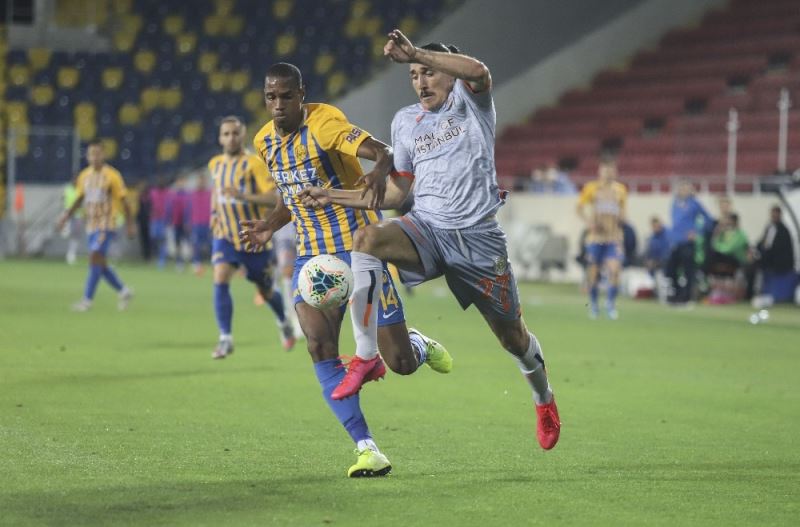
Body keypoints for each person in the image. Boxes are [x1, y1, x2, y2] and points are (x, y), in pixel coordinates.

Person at [297, 32, 560, 451]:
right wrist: (332, 195)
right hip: (427, 230)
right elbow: (396, 194)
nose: (420, 82)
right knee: (366, 238)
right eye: (414, 75)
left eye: (429, 72)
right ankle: (366, 357)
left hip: (478, 241)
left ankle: (543, 398)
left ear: (449, 75)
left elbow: (480, 71)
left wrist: (416, 53)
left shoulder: (471, 103)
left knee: (514, 338)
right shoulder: (405, 121)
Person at [239, 62, 452, 478]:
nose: (278, 105)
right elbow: (291, 195)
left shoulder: (325, 125)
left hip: (360, 251)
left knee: (399, 362)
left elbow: (383, 152)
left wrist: (378, 172)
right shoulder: (264, 141)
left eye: (286, 96)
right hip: (313, 261)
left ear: (302, 94)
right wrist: (269, 225)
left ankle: (418, 345)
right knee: (319, 345)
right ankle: (366, 447)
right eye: (271, 97)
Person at [208, 116, 295, 359]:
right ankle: (225, 338)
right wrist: (213, 215)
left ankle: (283, 321)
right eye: (226, 134)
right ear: (220, 138)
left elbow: (274, 199)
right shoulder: (215, 164)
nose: (231, 138)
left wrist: (244, 196)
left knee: (266, 291)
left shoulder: (254, 164)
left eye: (235, 133)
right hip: (225, 235)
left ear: (243, 135)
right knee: (220, 275)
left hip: (253, 238)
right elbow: (217, 193)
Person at [56, 140, 135, 311]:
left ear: (104, 155)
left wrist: (130, 224)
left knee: (94, 256)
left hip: (106, 223)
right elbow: (79, 199)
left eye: (97, 153)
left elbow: (125, 201)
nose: (94, 157)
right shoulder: (84, 176)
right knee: (100, 262)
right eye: (91, 154)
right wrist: (65, 217)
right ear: (87, 156)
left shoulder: (112, 176)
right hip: (91, 224)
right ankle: (124, 291)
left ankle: (87, 300)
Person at [576, 159, 627, 319]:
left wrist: (622, 219)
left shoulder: (620, 190)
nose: (608, 174)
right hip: (595, 239)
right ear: (600, 172)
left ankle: (610, 304)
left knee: (615, 270)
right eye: (605, 170)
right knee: (593, 273)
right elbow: (579, 208)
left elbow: (623, 212)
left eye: (611, 171)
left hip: (613, 238)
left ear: (615, 172)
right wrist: (589, 223)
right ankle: (594, 305)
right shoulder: (591, 188)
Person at [665, 181, 713, 304]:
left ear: (690, 190)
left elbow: (708, 219)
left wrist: (697, 232)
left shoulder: (694, 203)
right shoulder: (675, 202)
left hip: (687, 243)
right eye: (681, 188)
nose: (682, 190)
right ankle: (677, 293)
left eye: (686, 188)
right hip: (675, 242)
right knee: (670, 269)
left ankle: (687, 297)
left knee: (688, 271)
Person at [751, 205, 797, 302]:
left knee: (760, 263)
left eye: (776, 214)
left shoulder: (783, 230)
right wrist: (754, 249)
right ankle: (757, 291)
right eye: (772, 214)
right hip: (768, 258)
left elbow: (778, 249)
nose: (774, 216)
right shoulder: (769, 227)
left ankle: (762, 292)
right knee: (753, 264)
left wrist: (764, 254)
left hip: (779, 261)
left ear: (780, 215)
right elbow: (762, 242)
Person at [188, 173, 212, 276]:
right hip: (196, 224)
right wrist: (188, 222)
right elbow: (189, 209)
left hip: (208, 224)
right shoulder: (192, 194)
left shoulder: (210, 193)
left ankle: (215, 264)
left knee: (211, 245)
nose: (201, 182)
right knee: (196, 245)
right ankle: (197, 264)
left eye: (203, 180)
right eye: (200, 180)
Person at [149, 177, 170, 268]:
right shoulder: (153, 192)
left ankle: (162, 260)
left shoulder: (167, 193)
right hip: (154, 219)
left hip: (163, 220)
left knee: (162, 240)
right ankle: (155, 256)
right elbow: (149, 204)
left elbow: (169, 206)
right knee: (154, 238)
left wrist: (168, 218)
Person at [61, 174, 82, 265]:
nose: (75, 181)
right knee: (66, 233)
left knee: (75, 235)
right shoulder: (67, 189)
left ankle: (71, 254)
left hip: (77, 214)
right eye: (74, 180)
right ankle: (65, 229)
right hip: (67, 213)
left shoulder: (80, 189)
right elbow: (63, 198)